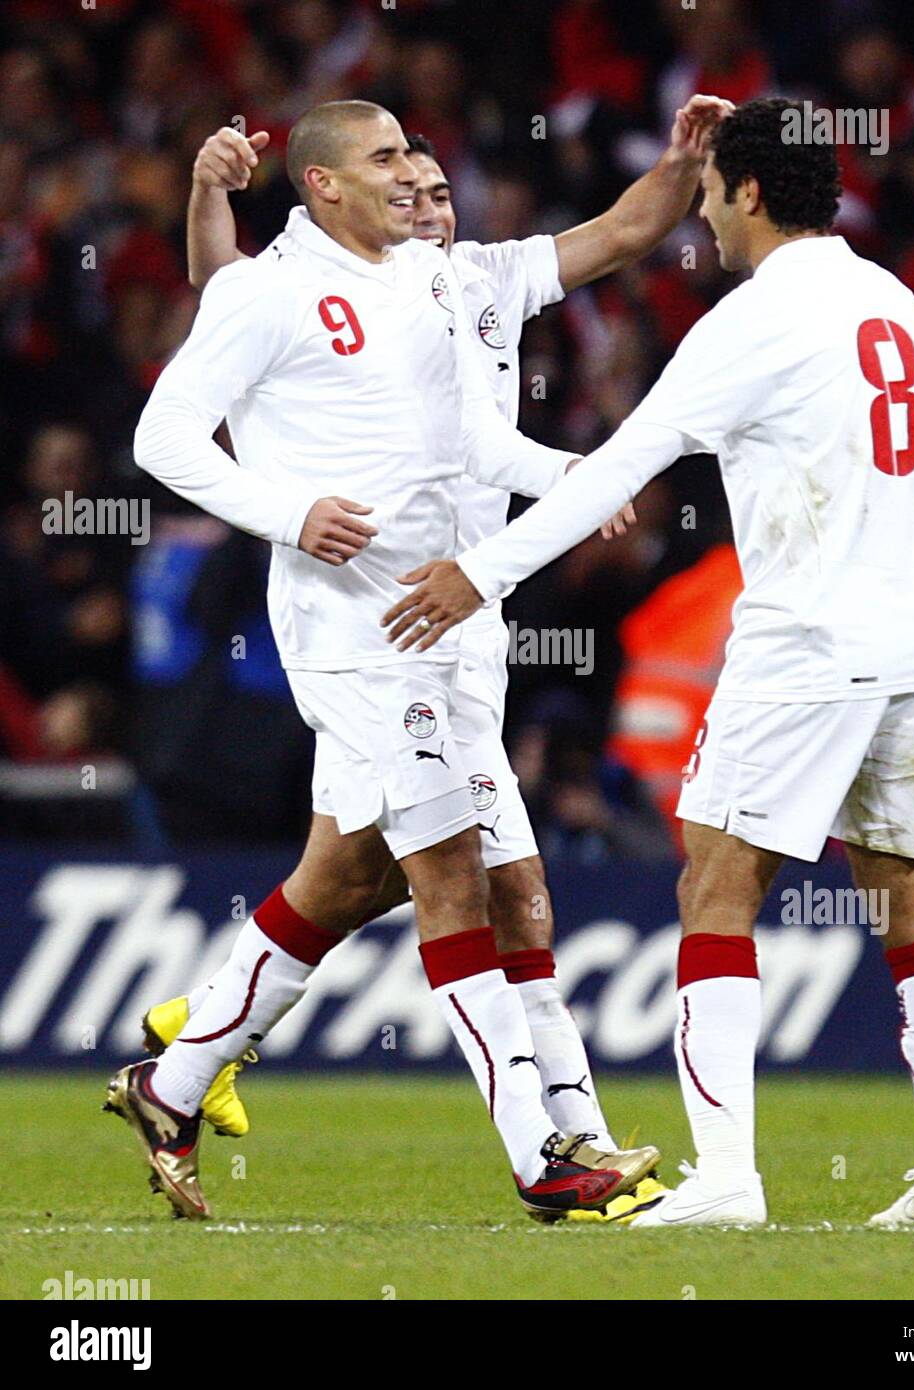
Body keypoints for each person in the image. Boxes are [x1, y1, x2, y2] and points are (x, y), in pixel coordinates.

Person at [383, 97, 914, 1229]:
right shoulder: (890, 299)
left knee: (716, 883)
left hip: (806, 640)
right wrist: (903, 561)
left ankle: (726, 1178)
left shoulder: (753, 321)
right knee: (906, 886)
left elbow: (619, 468)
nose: (706, 214)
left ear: (753, 191)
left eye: (715, 190)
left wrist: (476, 574)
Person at [142, 96, 728, 1221]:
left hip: (456, 625)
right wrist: (285, 510)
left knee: (406, 879)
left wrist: (682, 164)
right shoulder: (270, 289)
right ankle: (548, 1156)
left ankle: (171, 1083)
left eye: (419, 151)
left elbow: (602, 249)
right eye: (387, 157)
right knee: (456, 873)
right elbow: (162, 434)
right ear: (323, 185)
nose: (414, 171)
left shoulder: (438, 280)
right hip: (357, 635)